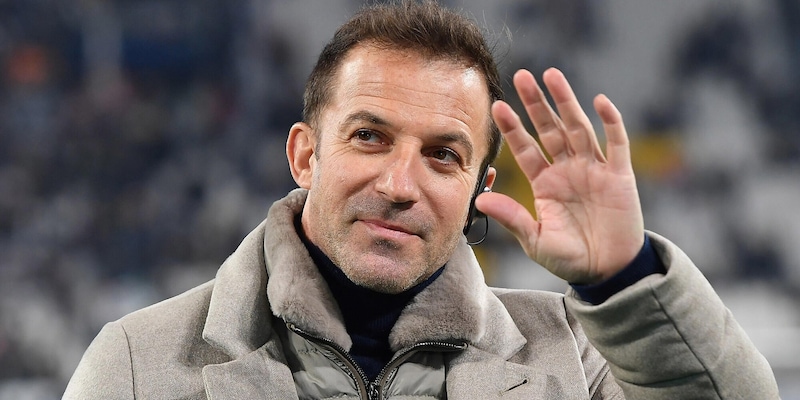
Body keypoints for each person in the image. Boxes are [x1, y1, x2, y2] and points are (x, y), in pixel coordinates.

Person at [64, 1, 780, 399]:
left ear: (479, 192)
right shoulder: (137, 366)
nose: (400, 186)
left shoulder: (579, 360)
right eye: (369, 137)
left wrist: (624, 278)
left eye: (443, 155)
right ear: (305, 155)